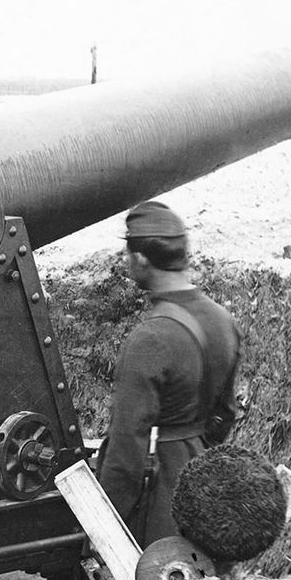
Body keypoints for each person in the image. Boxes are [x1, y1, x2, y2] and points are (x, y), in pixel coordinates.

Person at [97, 201, 241, 546]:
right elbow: (226, 413)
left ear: (142, 258)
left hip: (160, 497)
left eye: (127, 254)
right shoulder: (223, 320)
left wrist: (104, 520)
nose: (126, 261)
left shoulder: (150, 337)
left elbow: (127, 447)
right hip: (205, 483)